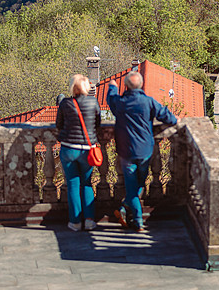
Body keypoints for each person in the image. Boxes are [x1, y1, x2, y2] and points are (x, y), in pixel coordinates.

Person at [107, 71, 177, 231]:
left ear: (126, 86)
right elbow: (166, 115)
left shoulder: (120, 102)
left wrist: (112, 86)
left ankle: (125, 209)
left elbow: (110, 98)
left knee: (134, 185)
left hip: (126, 151)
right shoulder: (148, 102)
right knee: (139, 184)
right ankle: (138, 220)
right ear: (141, 85)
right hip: (145, 150)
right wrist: (176, 120)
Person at [56, 74, 102, 232]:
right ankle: (89, 220)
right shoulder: (93, 102)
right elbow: (98, 124)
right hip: (87, 150)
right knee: (87, 183)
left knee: (73, 185)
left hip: (69, 149)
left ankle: (75, 222)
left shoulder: (65, 103)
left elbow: (59, 124)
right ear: (86, 87)